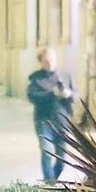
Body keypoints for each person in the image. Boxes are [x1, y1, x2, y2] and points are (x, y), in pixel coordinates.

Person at [26, 47, 77, 181]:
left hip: (62, 121)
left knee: (62, 158)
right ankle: (49, 183)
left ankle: (53, 179)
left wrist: (69, 94)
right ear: (41, 63)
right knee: (47, 152)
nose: (50, 64)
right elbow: (32, 96)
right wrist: (50, 94)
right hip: (44, 121)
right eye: (46, 61)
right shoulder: (36, 79)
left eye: (52, 60)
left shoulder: (65, 75)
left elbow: (76, 95)